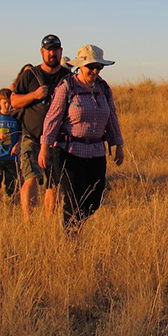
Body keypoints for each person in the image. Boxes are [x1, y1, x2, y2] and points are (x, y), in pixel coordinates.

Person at [39, 45, 124, 234]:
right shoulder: (67, 87)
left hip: (96, 152)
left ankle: (75, 225)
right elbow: (52, 119)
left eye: (99, 67)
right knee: (73, 198)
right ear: (80, 66)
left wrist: (118, 144)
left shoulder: (103, 88)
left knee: (95, 200)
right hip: (69, 153)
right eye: (91, 66)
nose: (95, 71)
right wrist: (45, 147)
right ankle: (71, 238)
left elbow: (111, 117)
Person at [11, 35, 71, 222]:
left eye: (55, 49)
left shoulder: (67, 77)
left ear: (61, 52)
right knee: (31, 177)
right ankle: (28, 221)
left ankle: (47, 223)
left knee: (52, 183)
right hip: (32, 136)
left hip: (56, 139)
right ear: (42, 52)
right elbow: (14, 100)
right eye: (48, 49)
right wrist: (35, 95)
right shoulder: (30, 75)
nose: (52, 53)